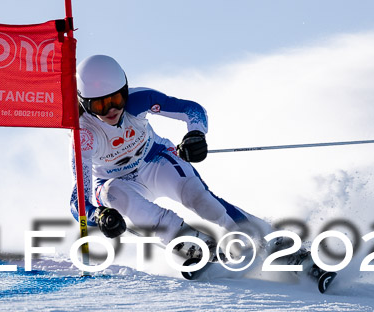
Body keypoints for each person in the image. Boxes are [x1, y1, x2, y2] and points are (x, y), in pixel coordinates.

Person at [69, 55, 273, 261]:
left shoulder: (139, 100)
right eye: (100, 106)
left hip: (154, 160)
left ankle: (269, 240)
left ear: (125, 91)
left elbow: (191, 109)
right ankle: (195, 246)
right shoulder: (83, 134)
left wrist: (196, 134)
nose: (112, 110)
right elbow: (78, 202)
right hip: (115, 182)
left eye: (117, 99)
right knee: (116, 193)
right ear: (85, 104)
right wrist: (99, 216)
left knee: (201, 199)